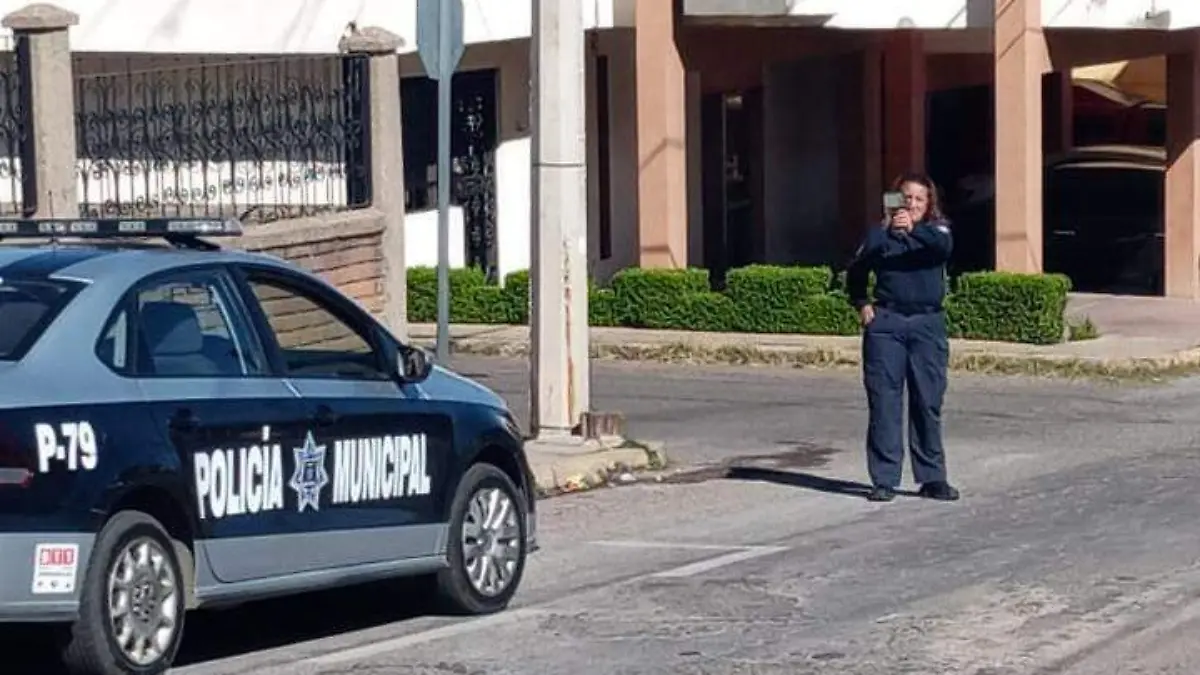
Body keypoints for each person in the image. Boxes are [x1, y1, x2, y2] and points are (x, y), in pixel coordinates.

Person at [846, 173, 960, 503]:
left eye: (918, 200)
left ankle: (932, 477)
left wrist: (914, 228)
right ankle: (884, 478)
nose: (911, 205)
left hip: (927, 324)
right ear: (894, 200)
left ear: (929, 205)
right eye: (905, 198)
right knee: (884, 402)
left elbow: (943, 247)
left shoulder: (936, 232)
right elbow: (856, 268)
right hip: (888, 325)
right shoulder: (880, 236)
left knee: (927, 401)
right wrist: (862, 302)